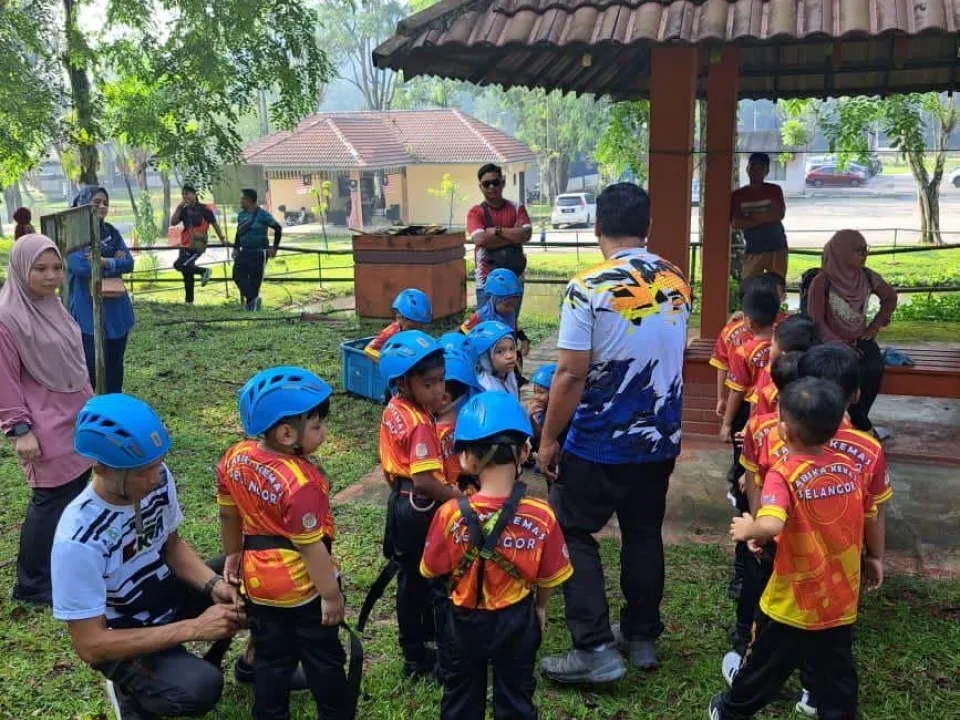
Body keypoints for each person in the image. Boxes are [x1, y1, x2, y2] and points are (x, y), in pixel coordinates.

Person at [538, 183, 691, 684]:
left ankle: (594, 648)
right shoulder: (676, 280)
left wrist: (548, 438)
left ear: (597, 226)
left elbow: (569, 375)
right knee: (644, 532)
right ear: (647, 226)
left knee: (574, 531)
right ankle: (641, 636)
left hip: (600, 441)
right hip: (661, 437)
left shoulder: (588, 287)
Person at [51, 394, 243, 719]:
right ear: (101, 468)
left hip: (162, 594)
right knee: (199, 689)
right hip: (120, 632)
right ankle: (132, 690)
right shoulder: (79, 539)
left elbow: (171, 546)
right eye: (142, 472)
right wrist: (195, 628)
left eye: (157, 465)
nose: (155, 479)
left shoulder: (156, 477)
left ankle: (252, 666)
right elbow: (90, 645)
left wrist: (214, 586)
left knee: (250, 578)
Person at [709, 378, 884, 720]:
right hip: (839, 595)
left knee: (764, 667)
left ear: (785, 431)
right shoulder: (850, 469)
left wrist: (749, 528)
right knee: (837, 672)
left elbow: (772, 524)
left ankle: (729, 712)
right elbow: (866, 514)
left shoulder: (783, 472)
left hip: (793, 600)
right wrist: (872, 559)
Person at [421, 391, 573, 720]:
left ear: (466, 459)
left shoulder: (448, 514)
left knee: (460, 695)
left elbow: (433, 569)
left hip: (462, 619)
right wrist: (541, 609)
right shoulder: (541, 514)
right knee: (516, 696)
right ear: (523, 452)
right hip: (517, 618)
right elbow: (547, 577)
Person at [218, 367, 347, 720]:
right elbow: (310, 547)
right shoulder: (301, 482)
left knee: (271, 660)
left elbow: (229, 515)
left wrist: (232, 554)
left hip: (258, 582)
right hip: (303, 589)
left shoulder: (235, 457)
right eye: (317, 426)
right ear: (287, 432)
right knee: (324, 660)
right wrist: (331, 596)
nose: (323, 432)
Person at [0, 234, 94, 605]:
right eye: (40, 269)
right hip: (42, 420)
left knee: (76, 491)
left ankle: (62, 565)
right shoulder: (7, 317)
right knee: (50, 497)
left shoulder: (52, 305)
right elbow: (3, 379)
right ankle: (31, 584)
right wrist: (18, 429)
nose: (51, 276)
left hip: (75, 411)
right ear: (22, 269)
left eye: (57, 268)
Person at [378, 330, 460, 676]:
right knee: (435, 578)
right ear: (403, 382)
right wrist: (460, 500)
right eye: (429, 384)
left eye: (442, 381)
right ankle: (438, 656)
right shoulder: (420, 424)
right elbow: (426, 479)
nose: (440, 391)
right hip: (420, 505)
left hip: (400, 498)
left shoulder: (395, 409)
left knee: (409, 579)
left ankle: (415, 648)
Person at [806, 230, 898, 435]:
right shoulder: (821, 282)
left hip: (859, 339)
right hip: (828, 341)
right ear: (841, 252)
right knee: (842, 370)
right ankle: (842, 423)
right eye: (857, 251)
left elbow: (890, 297)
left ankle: (859, 416)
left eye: (865, 250)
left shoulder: (867, 276)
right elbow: (816, 321)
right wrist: (839, 344)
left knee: (874, 367)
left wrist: (874, 327)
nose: (863, 255)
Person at [68, 186, 135, 394]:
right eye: (96, 202)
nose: (102, 207)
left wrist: (104, 262)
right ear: (82, 204)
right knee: (90, 365)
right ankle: (93, 409)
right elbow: (81, 267)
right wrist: (114, 262)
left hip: (116, 311)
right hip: (87, 310)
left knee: (115, 364)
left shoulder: (111, 233)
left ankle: (113, 409)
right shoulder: (73, 236)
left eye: (105, 203)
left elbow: (129, 263)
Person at [719, 286, 780, 444]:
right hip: (776, 406)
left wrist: (726, 424)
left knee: (745, 452)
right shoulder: (784, 342)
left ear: (748, 321)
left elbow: (736, 391)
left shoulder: (744, 351)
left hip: (747, 408)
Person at [466, 164, 531, 309]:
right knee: (488, 328)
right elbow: (480, 240)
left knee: (510, 326)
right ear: (480, 186)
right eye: (486, 184)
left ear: (502, 182)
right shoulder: (475, 212)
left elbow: (526, 234)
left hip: (514, 281)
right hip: (486, 283)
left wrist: (497, 231)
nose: (491, 187)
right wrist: (513, 235)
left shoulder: (517, 208)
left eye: (495, 182)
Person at [747, 314, 822, 418]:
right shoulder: (822, 382)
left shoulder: (770, 384)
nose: (769, 349)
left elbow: (757, 413)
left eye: (772, 345)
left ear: (784, 355)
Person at [731, 152, 789, 279]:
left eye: (760, 168)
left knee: (775, 287)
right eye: (753, 167)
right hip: (753, 248)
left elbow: (779, 214)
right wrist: (765, 217)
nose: (756, 171)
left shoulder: (774, 190)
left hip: (777, 247)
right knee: (748, 287)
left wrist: (750, 217)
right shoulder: (738, 195)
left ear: (767, 171)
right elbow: (736, 223)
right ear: (747, 169)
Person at [170, 185, 228, 305]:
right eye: (183, 194)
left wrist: (222, 239)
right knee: (187, 273)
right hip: (184, 244)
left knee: (179, 265)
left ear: (194, 194)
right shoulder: (184, 209)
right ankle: (189, 301)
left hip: (196, 245)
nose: (185, 196)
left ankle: (204, 271)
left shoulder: (204, 209)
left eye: (187, 194)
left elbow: (215, 224)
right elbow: (173, 222)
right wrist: (179, 207)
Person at [436, 348, 480, 491]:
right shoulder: (471, 425)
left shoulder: (432, 432)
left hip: (447, 495)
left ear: (444, 398)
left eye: (427, 386)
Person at [234, 188, 282, 311]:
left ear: (248, 200)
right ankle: (253, 300)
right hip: (244, 251)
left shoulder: (263, 214)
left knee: (255, 281)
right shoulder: (241, 215)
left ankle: (251, 306)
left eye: (242, 198)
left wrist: (274, 247)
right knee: (237, 276)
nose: (240, 201)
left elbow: (278, 228)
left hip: (259, 253)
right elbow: (239, 232)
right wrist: (236, 248)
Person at [365, 288, 433, 361]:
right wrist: (385, 362)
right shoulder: (391, 331)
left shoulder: (412, 329)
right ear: (400, 317)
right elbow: (369, 349)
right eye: (410, 327)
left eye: (420, 327)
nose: (414, 331)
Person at [464, 320, 519, 397]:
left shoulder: (508, 374)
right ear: (485, 359)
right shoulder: (485, 389)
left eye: (512, 348)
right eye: (500, 351)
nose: (510, 356)